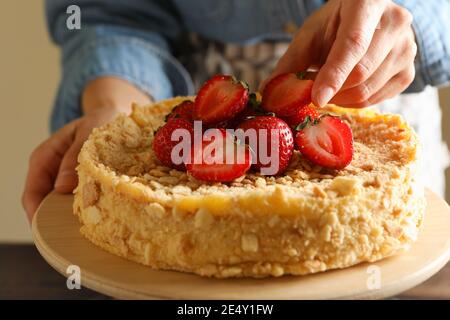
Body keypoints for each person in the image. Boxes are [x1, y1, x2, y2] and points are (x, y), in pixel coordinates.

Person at [22, 0, 450, 220]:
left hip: (374, 101)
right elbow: (108, 12)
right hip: (191, 112)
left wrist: (410, 17)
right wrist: (115, 109)